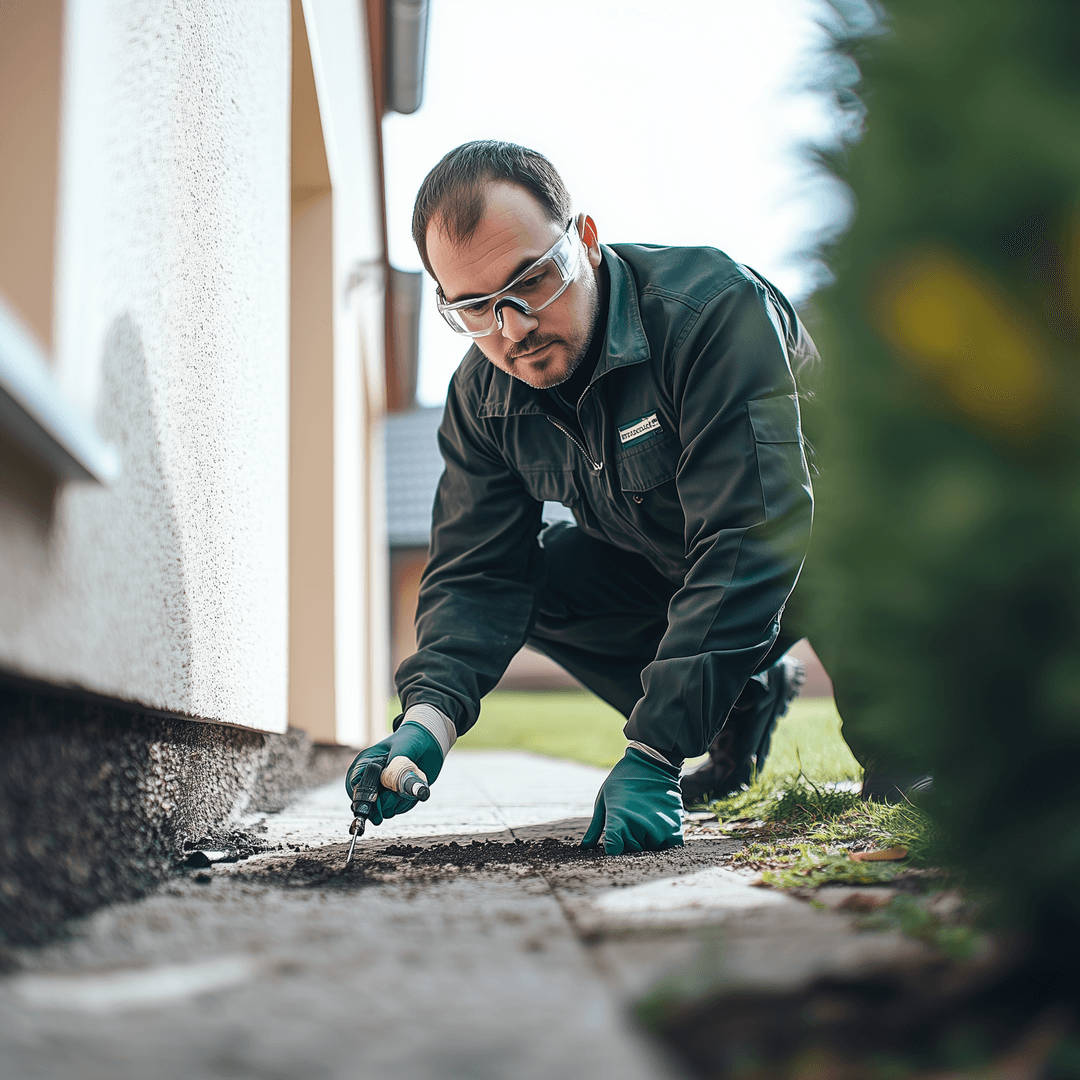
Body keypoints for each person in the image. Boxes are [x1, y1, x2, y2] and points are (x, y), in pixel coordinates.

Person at [347, 140, 824, 854]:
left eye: (532, 281)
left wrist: (655, 751)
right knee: (536, 582)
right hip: (677, 574)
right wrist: (427, 721)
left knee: (908, 786)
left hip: (830, 554)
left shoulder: (710, 312)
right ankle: (740, 700)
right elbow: (477, 573)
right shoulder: (483, 398)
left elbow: (750, 531)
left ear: (586, 240)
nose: (513, 329)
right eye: (475, 308)